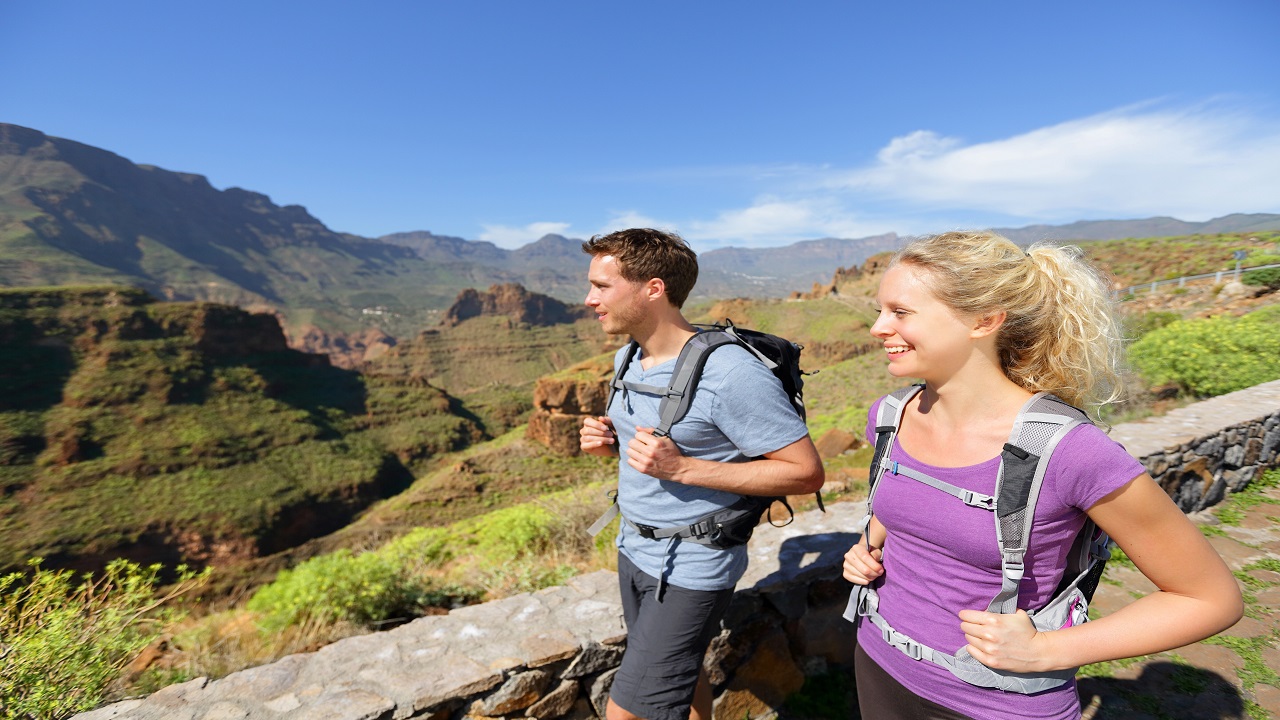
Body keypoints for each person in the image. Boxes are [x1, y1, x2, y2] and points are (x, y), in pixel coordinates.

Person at [842, 231, 1243, 720]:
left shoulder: (1069, 452)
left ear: (984, 321)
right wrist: (871, 544)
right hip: (879, 663)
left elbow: (1209, 598)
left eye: (901, 312)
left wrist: (1047, 652)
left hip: (992, 703)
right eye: (881, 310)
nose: (878, 328)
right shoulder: (890, 417)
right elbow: (907, 506)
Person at [579, 228, 825, 720]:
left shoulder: (730, 374)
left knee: (626, 712)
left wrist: (684, 467)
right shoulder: (626, 357)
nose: (589, 299)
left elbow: (806, 473)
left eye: (602, 287)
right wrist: (614, 444)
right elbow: (657, 450)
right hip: (634, 549)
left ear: (653, 288)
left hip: (691, 567)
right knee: (683, 677)